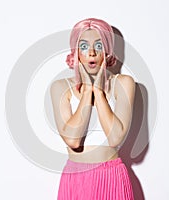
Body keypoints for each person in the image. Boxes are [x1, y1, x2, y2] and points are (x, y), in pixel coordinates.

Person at [50, 18, 136, 200]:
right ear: (76, 52)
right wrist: (87, 90)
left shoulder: (123, 83)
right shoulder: (60, 87)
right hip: (76, 179)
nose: (91, 52)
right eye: (83, 46)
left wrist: (98, 90)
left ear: (107, 50)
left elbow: (115, 137)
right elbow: (73, 140)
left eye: (98, 45)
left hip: (112, 178)